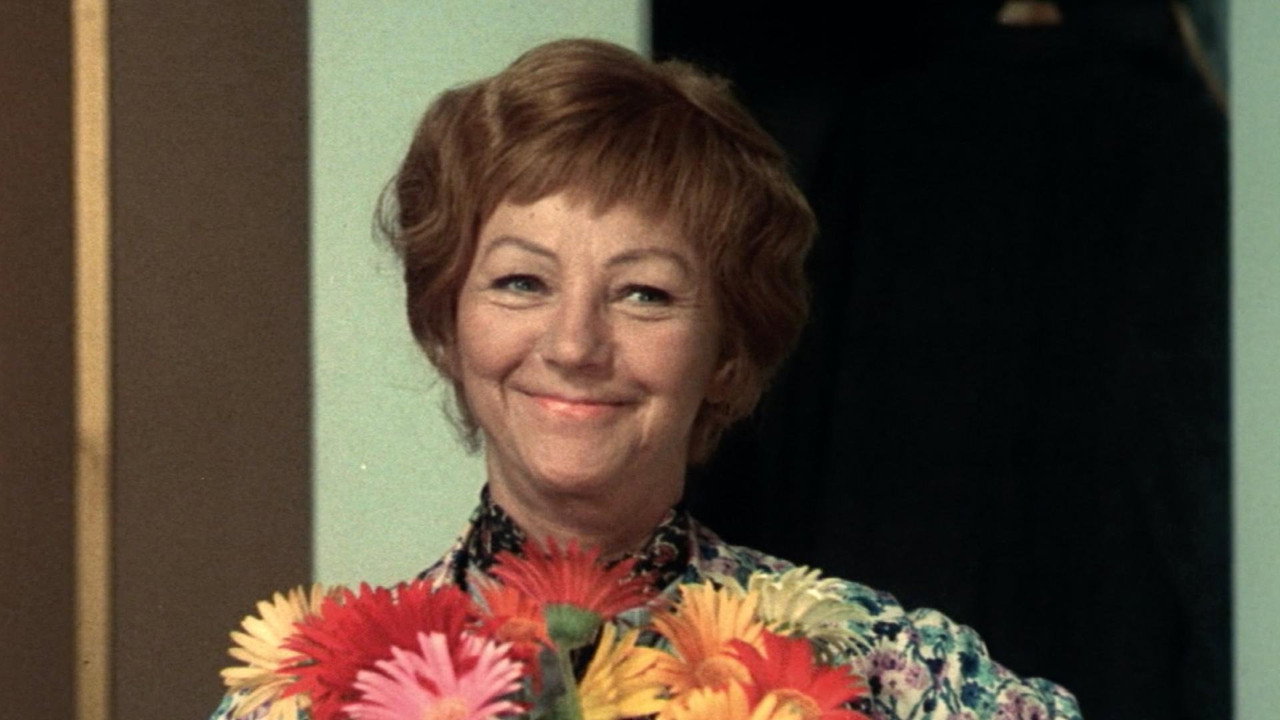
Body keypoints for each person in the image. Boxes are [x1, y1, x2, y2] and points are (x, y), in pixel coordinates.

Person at [211, 39, 1081, 720]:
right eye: (522, 282)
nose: (575, 345)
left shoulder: (892, 673)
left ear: (729, 353)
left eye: (644, 294)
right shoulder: (312, 692)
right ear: (445, 324)